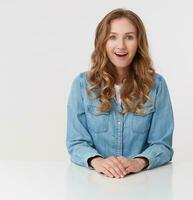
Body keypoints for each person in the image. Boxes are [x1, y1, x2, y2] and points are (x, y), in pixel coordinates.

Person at [66, 8, 174, 179]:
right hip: (94, 182)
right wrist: (98, 161)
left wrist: (138, 162)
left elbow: (163, 145)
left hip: (142, 183)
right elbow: (76, 143)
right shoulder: (82, 85)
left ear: (139, 43)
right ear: (103, 42)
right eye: (112, 37)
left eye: (129, 37)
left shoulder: (156, 85)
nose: (121, 45)